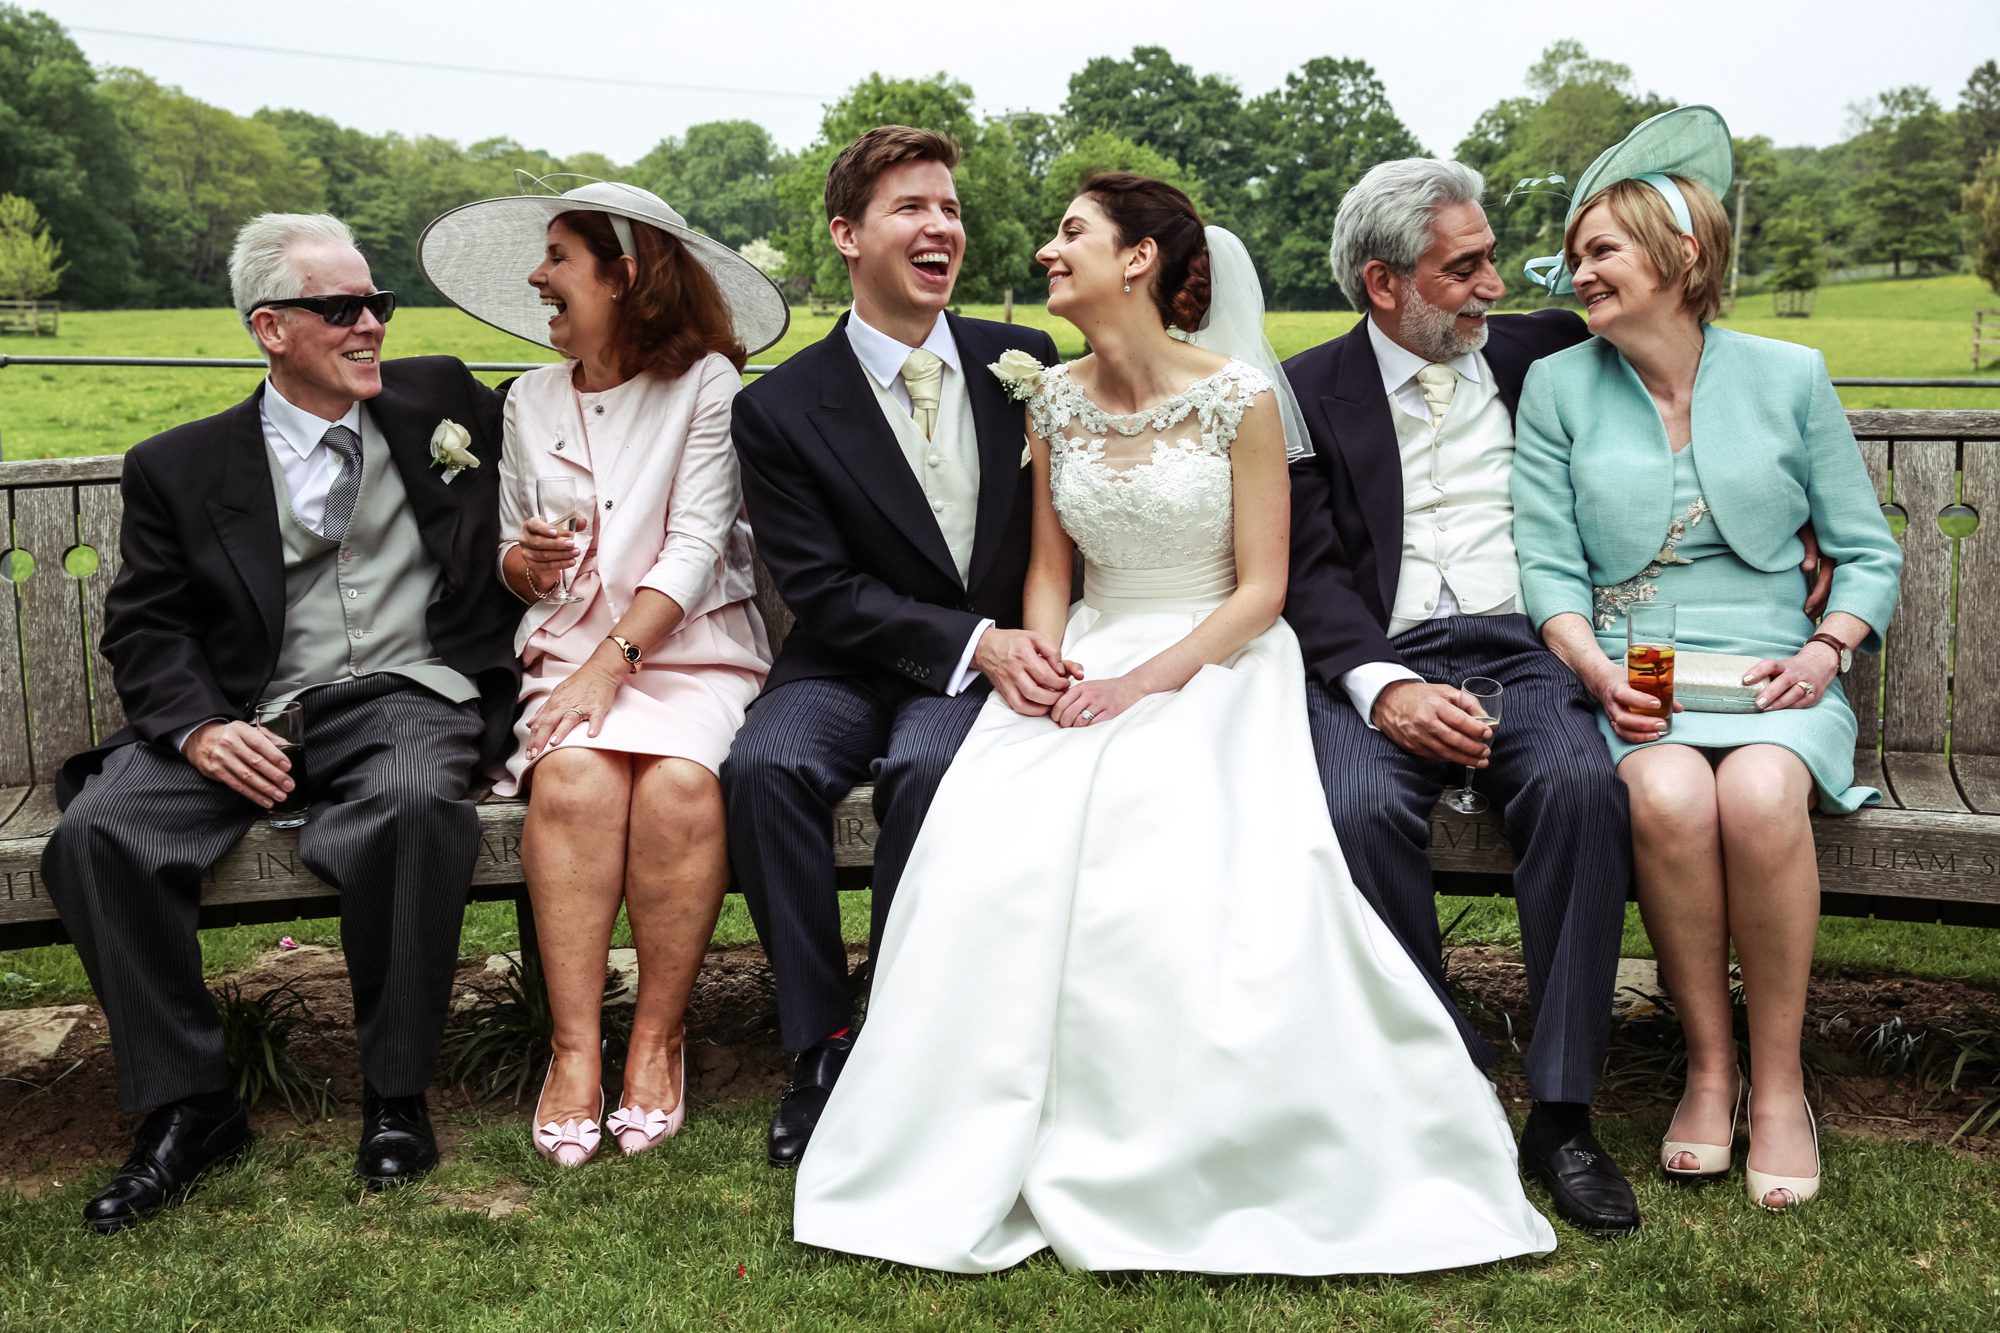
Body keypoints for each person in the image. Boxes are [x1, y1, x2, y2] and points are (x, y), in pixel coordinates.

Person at [792, 174, 1557, 1274]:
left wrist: (1144, 682)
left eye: (1070, 235)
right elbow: (1049, 569)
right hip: (1090, 646)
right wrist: (1050, 664)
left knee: (1165, 831)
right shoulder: (1049, 398)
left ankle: (1193, 1129)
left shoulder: (1238, 397)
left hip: (1217, 658)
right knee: (993, 828)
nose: (1049, 253)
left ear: (1137, 259)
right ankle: (970, 1117)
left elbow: (1257, 589)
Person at [40, 213, 519, 1232]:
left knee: (409, 804)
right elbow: (147, 627)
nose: (371, 326)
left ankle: (394, 1093)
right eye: (340, 309)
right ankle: (191, 1102)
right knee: (98, 835)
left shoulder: (439, 399)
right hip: (252, 710)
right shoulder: (180, 465)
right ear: (269, 327)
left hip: (404, 689)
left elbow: (591, 387)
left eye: (376, 304)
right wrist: (202, 728)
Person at [1510, 107, 1902, 1210]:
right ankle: (1707, 1066)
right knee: (1674, 800)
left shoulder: (1787, 374)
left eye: (1600, 251)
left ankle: (1776, 1083)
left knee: (1764, 793)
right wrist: (1592, 672)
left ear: (1681, 255)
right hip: (1635, 674)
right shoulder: (1558, 389)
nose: (1575, 273)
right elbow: (1547, 570)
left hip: (1780, 669)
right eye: (1574, 254)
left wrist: (1827, 649)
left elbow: (1867, 553)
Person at [1281, 158, 1645, 1237]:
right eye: (1465, 266)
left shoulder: (1540, 350)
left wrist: (1800, 523)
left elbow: (1687, 365)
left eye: (1491, 259)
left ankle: (1563, 1111)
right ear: (1385, 283)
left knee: (1583, 789)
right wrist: (1382, 688)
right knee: (1349, 811)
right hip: (1377, 657)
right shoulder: (1300, 390)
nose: (1495, 284)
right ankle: (1434, 1068)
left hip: (1526, 647)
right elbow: (1303, 570)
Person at [420, 182, 785, 1164]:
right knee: (576, 780)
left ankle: (658, 1045)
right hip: (565, 645)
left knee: (676, 788)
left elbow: (702, 540)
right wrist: (524, 565)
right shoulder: (527, 399)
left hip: (689, 649)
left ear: (624, 277)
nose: (538, 278)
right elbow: (508, 549)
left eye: (558, 260)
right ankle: (574, 1050)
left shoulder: (707, 385)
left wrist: (612, 662)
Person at [720, 126, 1060, 1167]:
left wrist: (1014, 647)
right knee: (764, 767)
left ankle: (907, 1031)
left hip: (978, 673)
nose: (940, 226)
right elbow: (818, 589)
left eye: (949, 209)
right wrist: (976, 644)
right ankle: (821, 1043)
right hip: (845, 659)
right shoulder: (777, 407)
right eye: (911, 207)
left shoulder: (1028, 362)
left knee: (930, 767)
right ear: (845, 234)